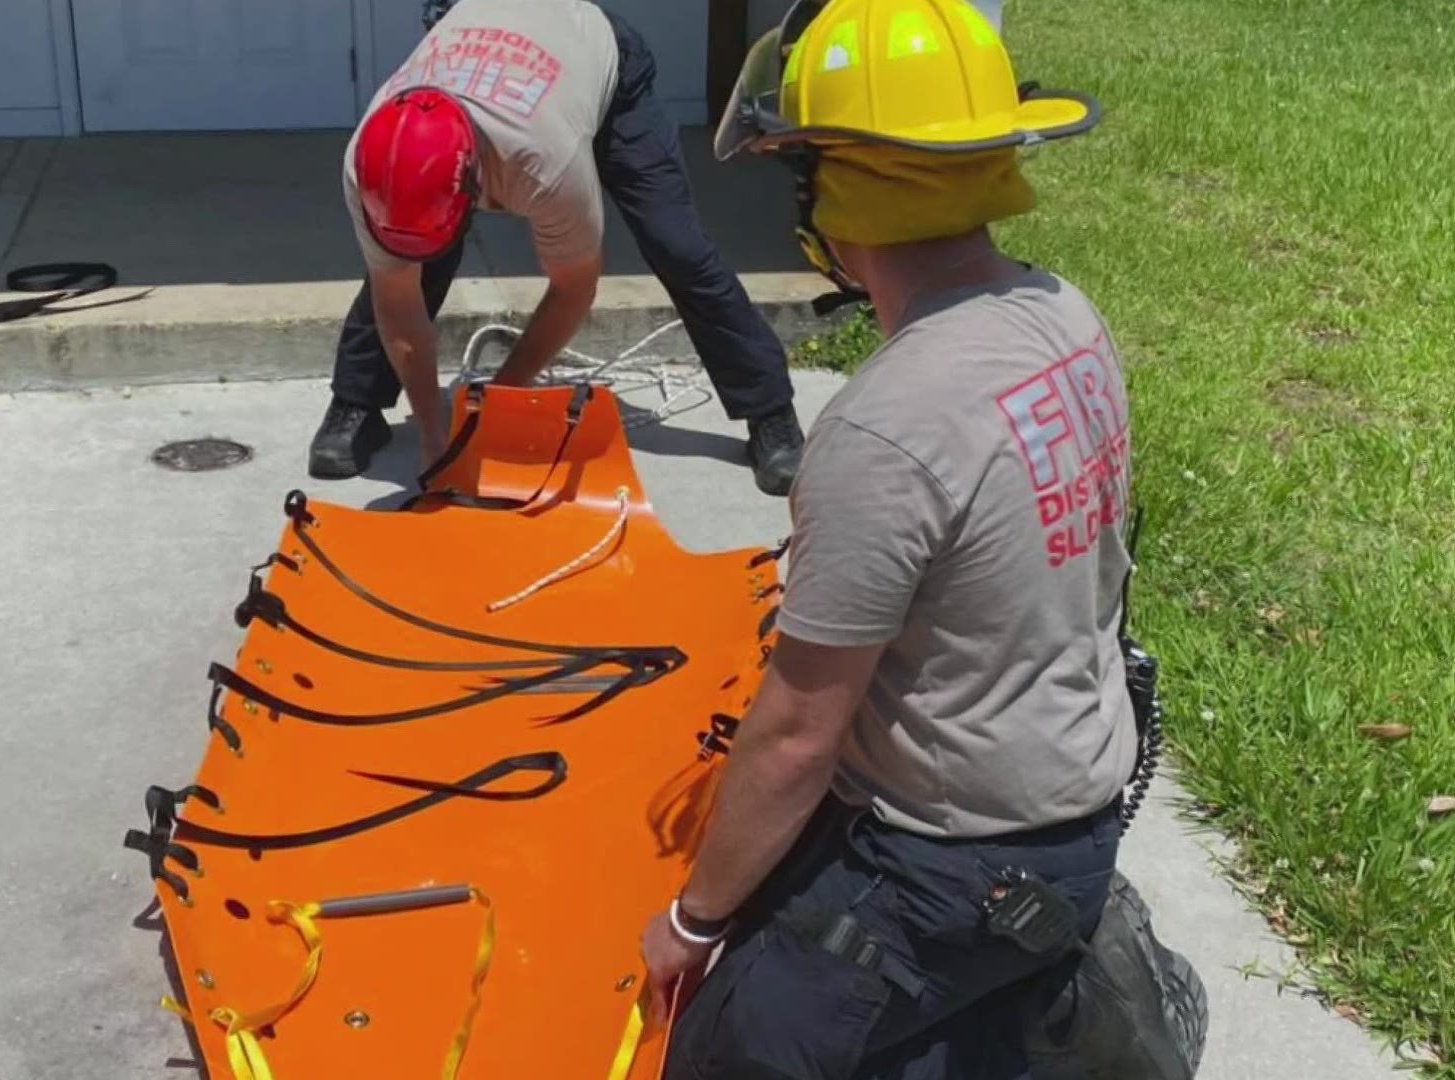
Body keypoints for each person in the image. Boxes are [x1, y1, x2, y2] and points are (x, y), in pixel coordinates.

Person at [638, 0, 1144, 1076]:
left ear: (841, 189)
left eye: (804, 171)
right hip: (1076, 805)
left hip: (958, 864)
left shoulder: (886, 425)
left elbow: (795, 737)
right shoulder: (1066, 315)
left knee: (722, 1049)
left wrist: (691, 921)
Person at [310, 0, 808, 497]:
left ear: (475, 178)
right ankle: (358, 402)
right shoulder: (370, 160)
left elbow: (574, 288)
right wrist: (433, 431)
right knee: (415, 258)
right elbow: (396, 299)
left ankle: (770, 413)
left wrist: (495, 409)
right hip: (498, 57)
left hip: (598, 60)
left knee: (674, 243)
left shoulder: (542, 159)